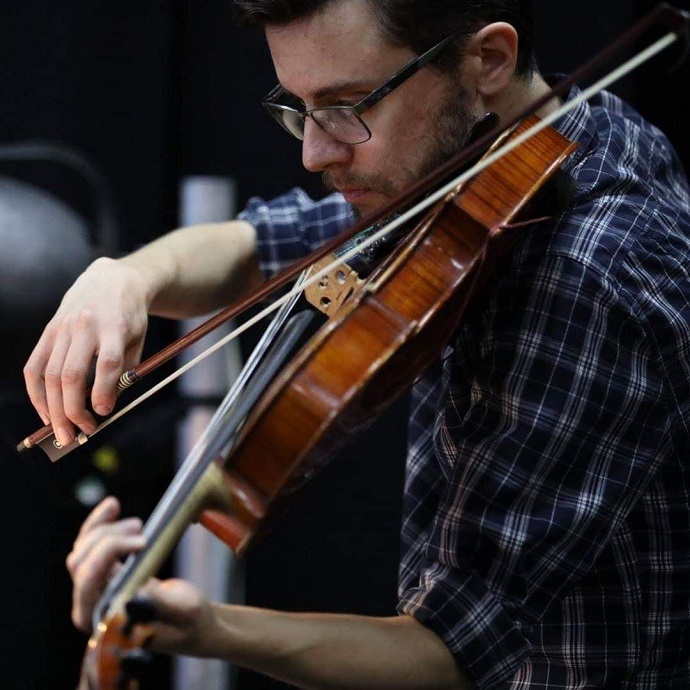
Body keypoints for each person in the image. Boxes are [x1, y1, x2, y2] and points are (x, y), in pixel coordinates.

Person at [24, 0, 690, 688]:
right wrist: (127, 278)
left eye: (347, 103)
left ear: (486, 60)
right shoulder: (495, 155)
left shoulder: (595, 270)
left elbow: (454, 653)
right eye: (300, 106)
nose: (315, 151)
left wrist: (207, 628)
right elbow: (262, 245)